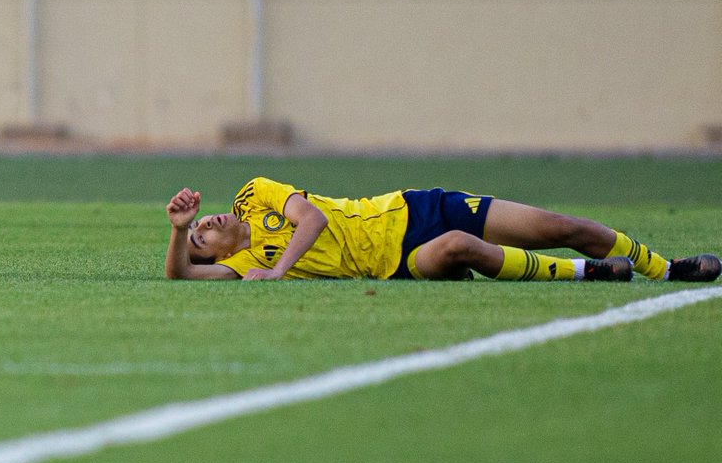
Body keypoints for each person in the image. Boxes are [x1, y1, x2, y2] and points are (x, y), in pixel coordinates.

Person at [165, 177, 722, 283]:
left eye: (201, 223)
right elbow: (181, 275)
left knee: (559, 224)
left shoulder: (252, 194)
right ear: (219, 256)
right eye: (201, 236)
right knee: (460, 249)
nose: (205, 224)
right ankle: (589, 273)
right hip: (400, 262)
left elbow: (313, 218)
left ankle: (665, 268)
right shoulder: (245, 265)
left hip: (417, 207)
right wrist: (177, 232)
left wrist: (280, 272)